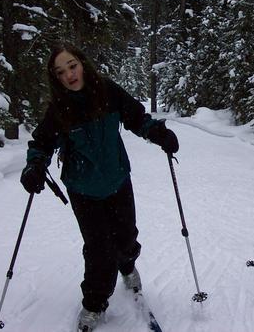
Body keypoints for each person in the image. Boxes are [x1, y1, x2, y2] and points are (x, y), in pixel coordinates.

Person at [20, 42, 179, 331]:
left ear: (82, 63)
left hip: (118, 179)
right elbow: (41, 143)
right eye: (60, 72)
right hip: (83, 189)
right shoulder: (60, 109)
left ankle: (128, 266)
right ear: (55, 78)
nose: (69, 75)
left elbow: (136, 118)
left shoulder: (108, 91)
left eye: (72, 66)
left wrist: (158, 133)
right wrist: (34, 165)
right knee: (99, 250)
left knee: (127, 238)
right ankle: (94, 304)